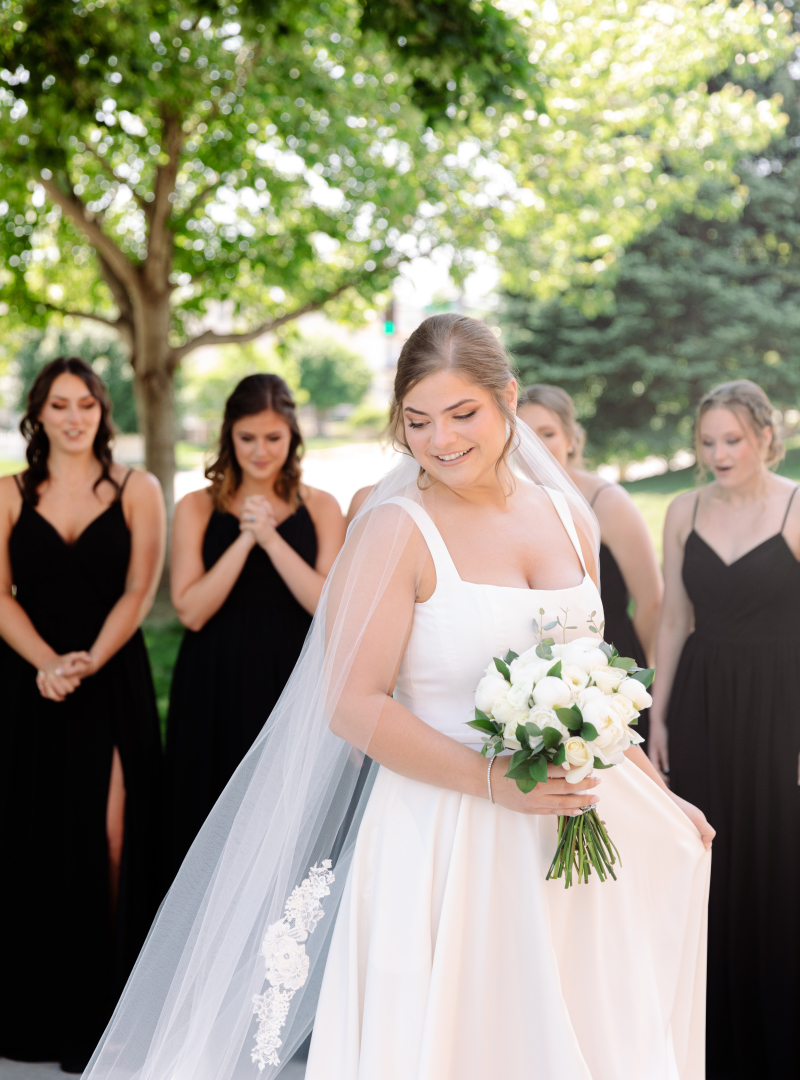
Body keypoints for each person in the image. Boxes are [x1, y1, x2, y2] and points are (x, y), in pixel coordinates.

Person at [84, 316, 712, 1080]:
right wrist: (492, 782)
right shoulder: (393, 530)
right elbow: (352, 702)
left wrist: (661, 794)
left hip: (572, 833)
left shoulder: (568, 518)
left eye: (462, 414)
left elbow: (594, 686)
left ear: (508, 399)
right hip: (444, 841)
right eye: (417, 421)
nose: (439, 439)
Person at [0, 357, 165, 1073]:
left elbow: (139, 590)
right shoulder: (8, 493)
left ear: (104, 412)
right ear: (38, 416)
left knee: (113, 837)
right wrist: (44, 663)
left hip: (111, 673)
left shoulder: (138, 488)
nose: (74, 418)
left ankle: (109, 1013)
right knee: (32, 833)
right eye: (59, 406)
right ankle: (35, 1014)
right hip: (29, 681)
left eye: (87, 405)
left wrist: (88, 660)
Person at [648, 379, 800, 1080]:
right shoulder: (683, 508)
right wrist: (660, 717)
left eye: (732, 439)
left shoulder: (797, 506)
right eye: (708, 441)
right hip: (703, 703)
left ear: (767, 436)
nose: (718, 453)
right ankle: (707, 1046)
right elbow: (674, 618)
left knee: (776, 865)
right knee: (705, 865)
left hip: (781, 705)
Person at [164, 373, 345, 879]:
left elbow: (326, 605)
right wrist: (243, 540)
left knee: (291, 830)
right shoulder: (196, 506)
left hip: (292, 681)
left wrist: (270, 538)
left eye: (273, 438)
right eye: (247, 438)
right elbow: (191, 610)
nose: (260, 451)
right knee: (208, 822)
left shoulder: (323, 506)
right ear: (228, 436)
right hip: (213, 683)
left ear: (292, 436)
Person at [517, 384, 662, 741]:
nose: (537, 447)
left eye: (547, 433)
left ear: (570, 438)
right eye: (524, 436)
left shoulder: (608, 502)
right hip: (543, 676)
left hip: (612, 667)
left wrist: (632, 671)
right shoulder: (513, 510)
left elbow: (651, 600)